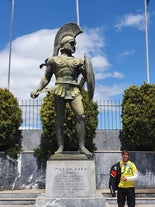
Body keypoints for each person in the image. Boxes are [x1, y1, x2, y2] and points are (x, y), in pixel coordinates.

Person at [30, 23, 94, 158]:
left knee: (81, 115)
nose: (74, 46)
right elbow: (46, 78)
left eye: (74, 43)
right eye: (71, 43)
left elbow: (88, 76)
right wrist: (37, 89)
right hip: (59, 89)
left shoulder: (78, 60)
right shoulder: (54, 60)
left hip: (74, 90)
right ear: (64, 45)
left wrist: (86, 72)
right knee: (59, 118)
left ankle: (82, 146)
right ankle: (60, 146)